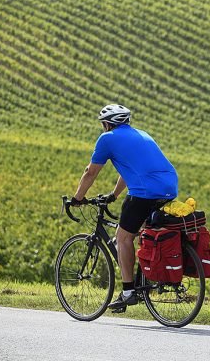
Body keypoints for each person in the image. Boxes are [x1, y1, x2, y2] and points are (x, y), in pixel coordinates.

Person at [70, 104, 178, 310]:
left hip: (144, 192)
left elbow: (90, 172)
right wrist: (114, 195)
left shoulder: (107, 138)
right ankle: (145, 278)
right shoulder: (141, 134)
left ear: (107, 123)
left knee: (122, 237)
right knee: (141, 233)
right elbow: (129, 170)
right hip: (169, 187)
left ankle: (128, 292)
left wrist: (78, 198)